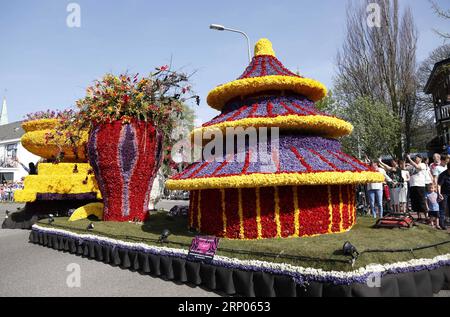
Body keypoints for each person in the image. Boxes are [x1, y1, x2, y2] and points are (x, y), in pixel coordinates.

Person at [406, 154, 428, 221]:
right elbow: (403, 168)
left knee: (421, 201)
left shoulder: (423, 164)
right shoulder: (412, 166)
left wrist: (409, 159)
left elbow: (418, 167)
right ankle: (419, 217)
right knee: (415, 202)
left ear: (420, 159)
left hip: (420, 185)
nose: (415, 159)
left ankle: (426, 217)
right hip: (413, 185)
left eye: (417, 158)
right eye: (415, 158)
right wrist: (404, 161)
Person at [437, 162, 450, 230]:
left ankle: (447, 221)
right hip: (444, 193)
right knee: (443, 208)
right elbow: (439, 185)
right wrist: (439, 194)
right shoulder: (443, 175)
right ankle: (442, 224)